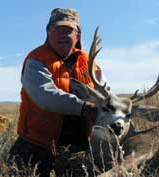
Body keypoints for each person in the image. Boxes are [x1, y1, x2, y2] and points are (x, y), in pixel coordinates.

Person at [8, 8, 109, 177]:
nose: (63, 35)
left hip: (78, 143)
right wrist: (85, 108)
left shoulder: (88, 61)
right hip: (37, 143)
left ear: (77, 35)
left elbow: (105, 91)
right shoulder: (36, 60)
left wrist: (115, 108)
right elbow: (46, 96)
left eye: (68, 30)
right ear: (48, 32)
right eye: (57, 29)